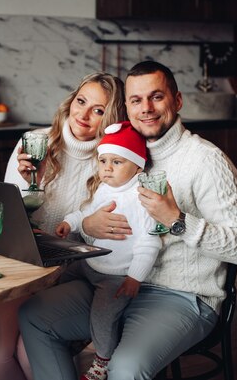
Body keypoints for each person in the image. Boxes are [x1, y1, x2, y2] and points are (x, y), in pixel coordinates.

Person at [18, 60, 237, 380]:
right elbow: (88, 215)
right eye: (136, 100)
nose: (146, 108)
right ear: (126, 107)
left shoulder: (206, 161)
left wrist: (177, 219)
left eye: (157, 97)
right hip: (115, 284)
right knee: (34, 315)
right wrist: (84, 225)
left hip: (181, 296)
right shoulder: (119, 154)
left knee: (125, 368)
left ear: (178, 101)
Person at [0, 72, 127, 380]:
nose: (83, 115)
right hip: (24, 267)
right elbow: (13, 222)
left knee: (28, 356)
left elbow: (105, 235)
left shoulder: (114, 163)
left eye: (98, 110)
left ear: (111, 119)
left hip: (72, 276)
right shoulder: (35, 143)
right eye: (81, 101)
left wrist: (82, 228)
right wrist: (34, 183)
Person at [55, 121, 162, 380]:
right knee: (55, 279)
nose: (107, 169)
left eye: (117, 162)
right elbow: (86, 212)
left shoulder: (141, 198)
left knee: (103, 315)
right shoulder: (104, 188)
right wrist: (70, 221)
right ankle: (70, 338)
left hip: (115, 275)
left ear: (137, 166)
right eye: (103, 161)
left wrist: (134, 277)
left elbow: (150, 242)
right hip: (90, 262)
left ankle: (102, 360)